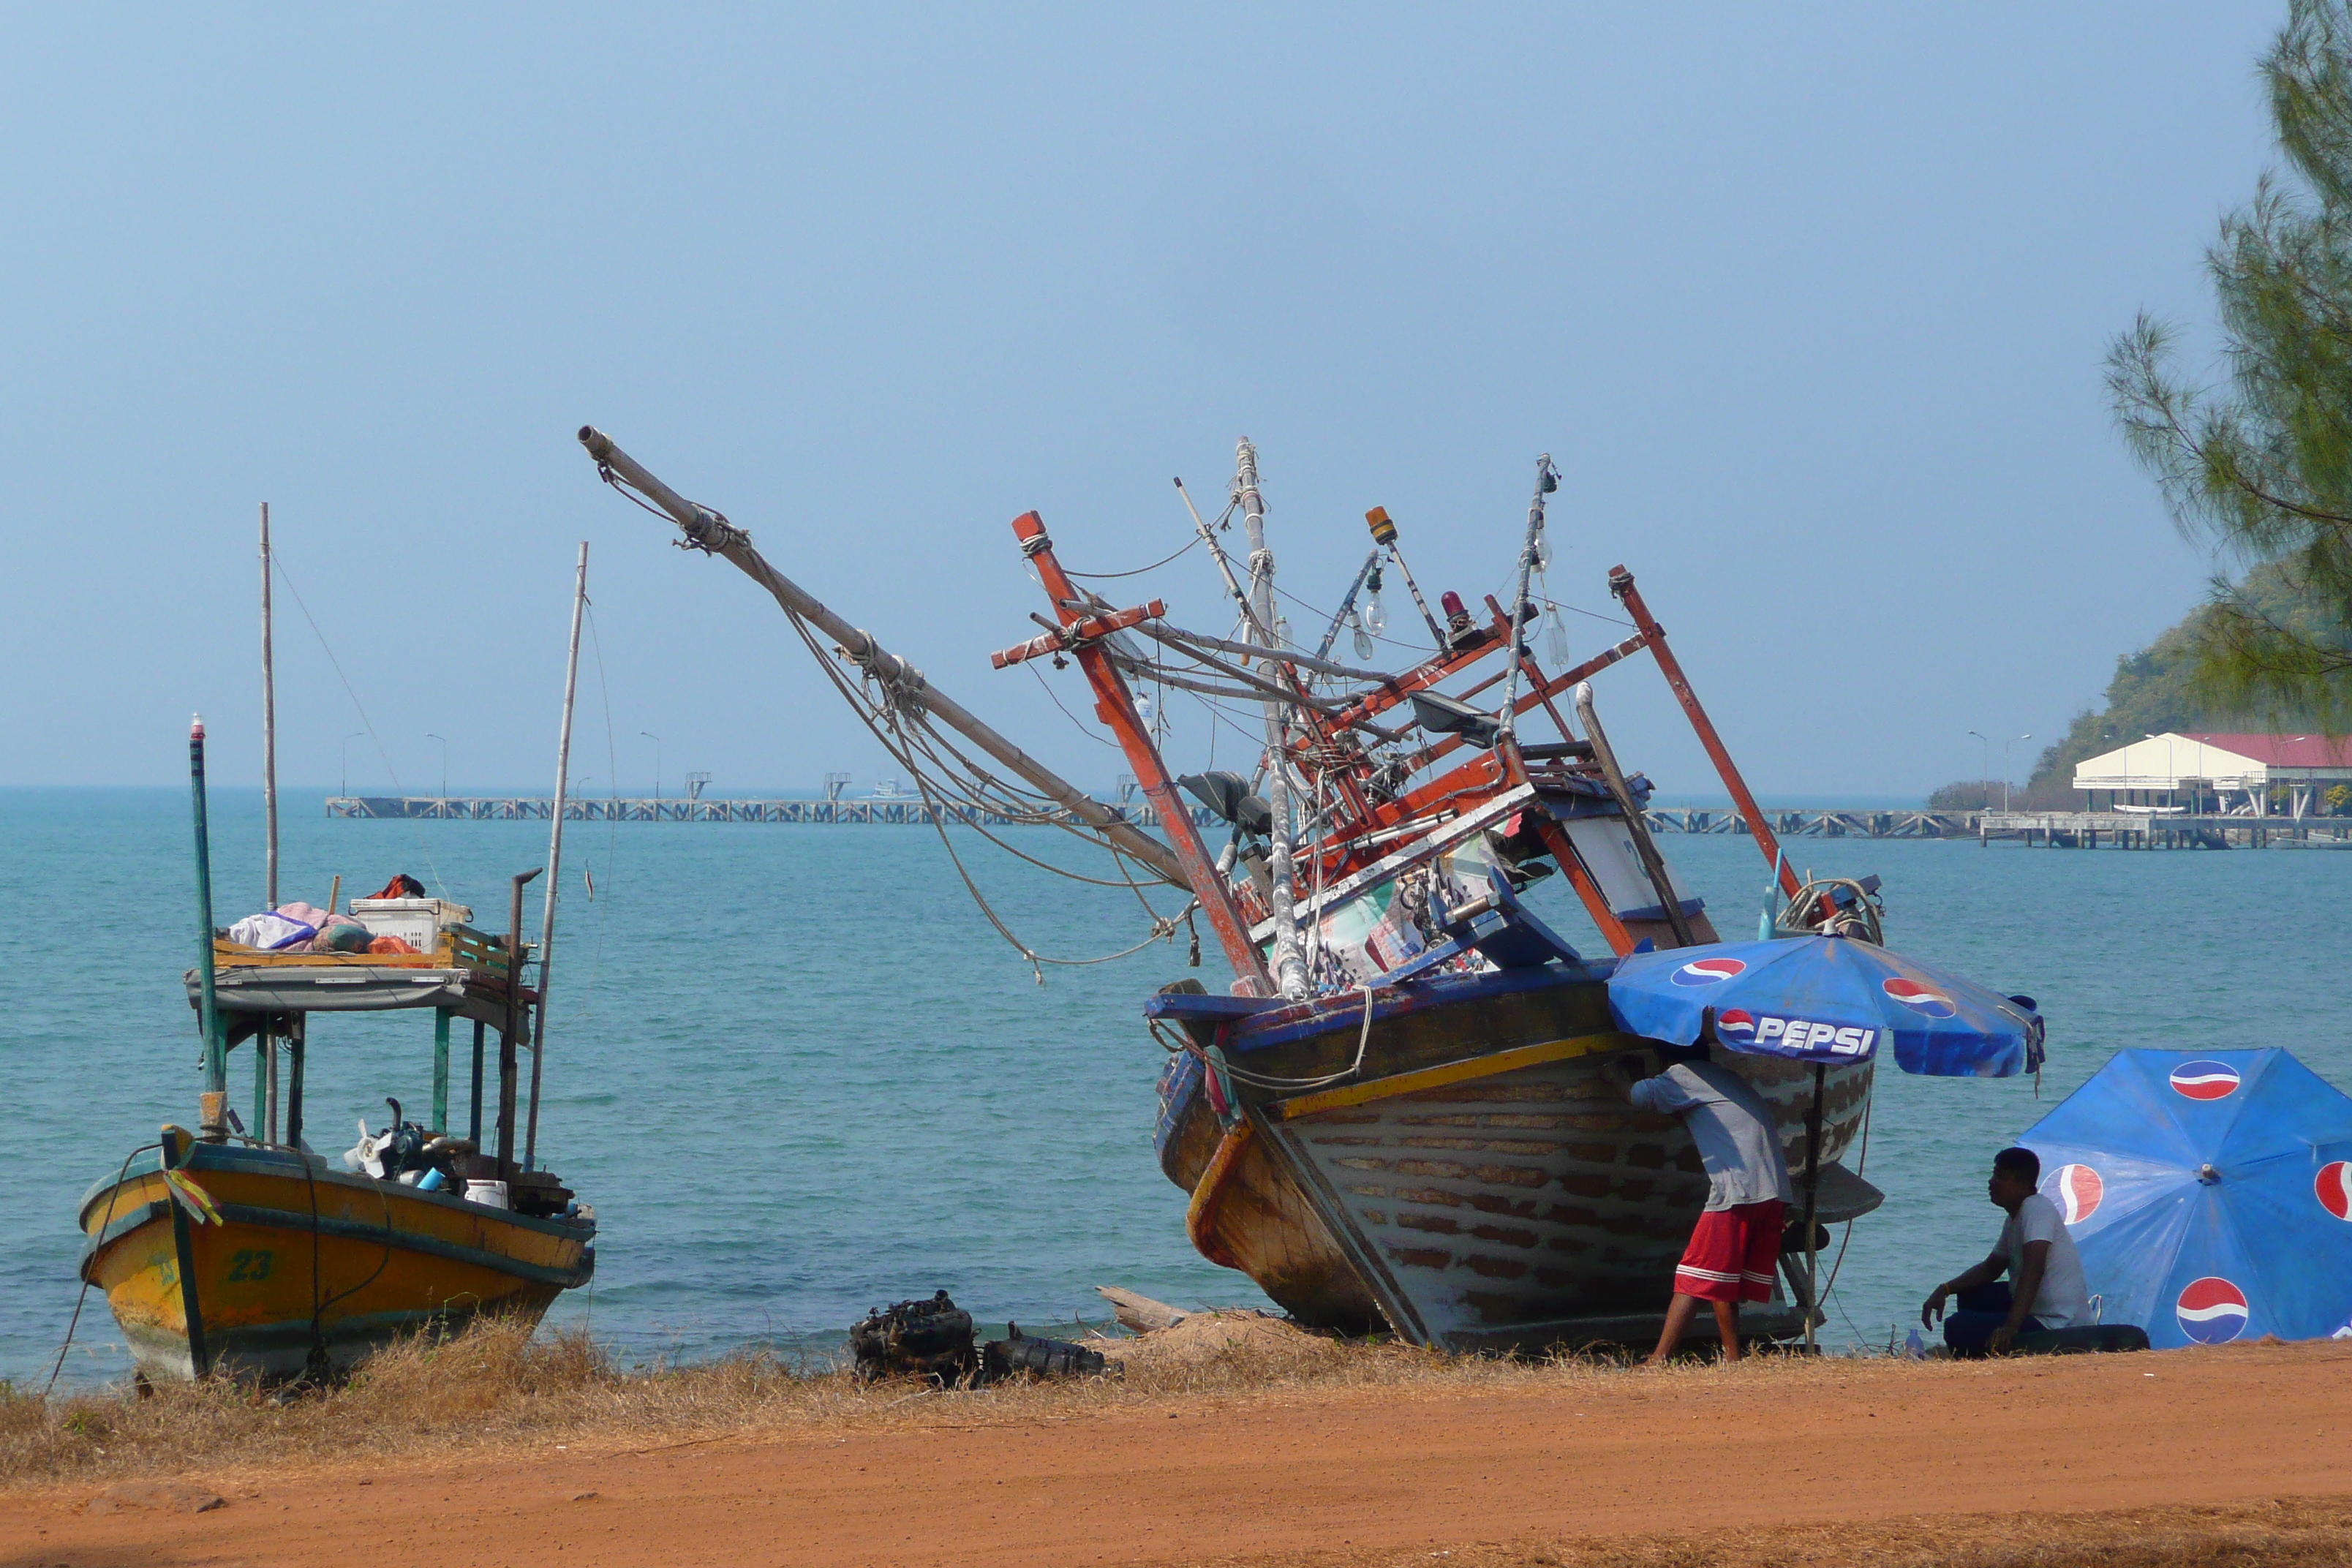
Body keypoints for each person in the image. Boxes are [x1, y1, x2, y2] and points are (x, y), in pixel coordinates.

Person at [1615, 1041, 1795, 1363]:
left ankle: (1723, 1359)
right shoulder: (1722, 1077)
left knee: (1698, 1277)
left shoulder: (1683, 1076)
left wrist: (1613, 1076)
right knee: (1716, 1278)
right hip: (1773, 1191)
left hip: (1739, 1192)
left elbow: (1640, 1096)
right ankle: (1702, 1357)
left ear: (1665, 1058)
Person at [1921, 1146, 2095, 1356]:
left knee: (1956, 1327)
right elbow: (1991, 1268)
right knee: (1971, 1296)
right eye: (1994, 1175)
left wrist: (2011, 1326)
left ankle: (1996, 1348)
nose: (1992, 1182)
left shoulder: (2036, 1210)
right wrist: (1946, 1289)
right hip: (2036, 1308)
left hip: (2057, 1321)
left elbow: (2034, 1269)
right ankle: (1990, 1343)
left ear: (2022, 1184)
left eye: (2001, 1177)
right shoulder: (2015, 1217)